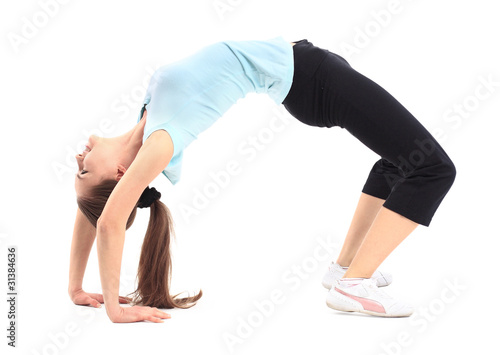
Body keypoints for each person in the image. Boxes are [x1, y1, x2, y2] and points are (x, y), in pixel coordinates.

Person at [68, 37, 456, 322]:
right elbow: (108, 221)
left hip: (313, 75)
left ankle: (344, 268)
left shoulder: (148, 118)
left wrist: (76, 288)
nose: (79, 158)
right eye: (84, 170)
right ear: (121, 175)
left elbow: (94, 215)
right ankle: (353, 285)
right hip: (315, 83)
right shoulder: (161, 140)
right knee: (433, 169)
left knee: (397, 161)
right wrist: (116, 311)